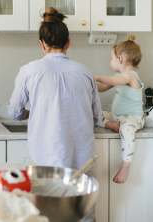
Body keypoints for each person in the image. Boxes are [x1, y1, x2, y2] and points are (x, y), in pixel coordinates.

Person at [7, 7, 102, 222]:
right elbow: (97, 119)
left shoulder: (29, 71)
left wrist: (32, 113)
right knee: (83, 216)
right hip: (82, 161)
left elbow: (14, 112)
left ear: (42, 43)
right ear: (68, 43)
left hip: (46, 163)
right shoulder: (86, 72)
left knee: (46, 216)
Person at [95, 34, 144, 184]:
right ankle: (111, 125)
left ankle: (125, 166)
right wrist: (88, 85)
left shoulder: (130, 77)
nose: (110, 61)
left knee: (126, 130)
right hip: (117, 116)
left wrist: (93, 76)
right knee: (93, 113)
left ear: (120, 59)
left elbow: (114, 81)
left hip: (133, 117)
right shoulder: (118, 75)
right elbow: (103, 88)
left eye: (111, 58)